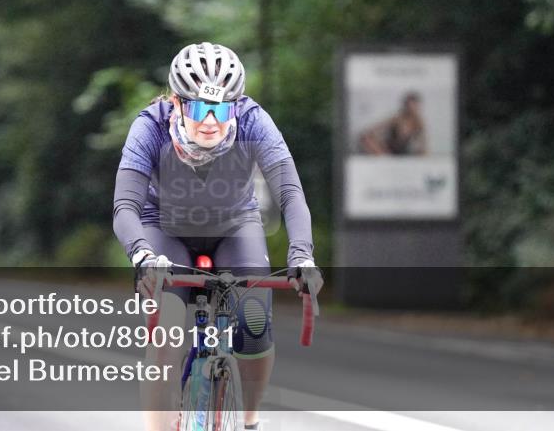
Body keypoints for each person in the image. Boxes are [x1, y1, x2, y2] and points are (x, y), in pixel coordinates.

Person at [113, 42, 323, 431]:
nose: (210, 120)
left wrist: (302, 255)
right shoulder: (150, 125)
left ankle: (248, 420)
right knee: (168, 332)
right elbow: (125, 205)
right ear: (176, 104)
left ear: (235, 107)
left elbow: (290, 193)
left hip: (234, 225)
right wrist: (141, 254)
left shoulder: (254, 121)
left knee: (254, 323)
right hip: (163, 229)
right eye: (198, 107)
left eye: (221, 108)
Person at [357, 91, 428, 156]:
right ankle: (385, 157)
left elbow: (423, 144)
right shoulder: (397, 118)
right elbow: (376, 128)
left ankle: (387, 159)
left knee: (422, 152)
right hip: (388, 150)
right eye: (409, 105)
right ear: (405, 106)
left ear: (417, 106)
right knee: (365, 137)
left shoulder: (419, 122)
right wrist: (374, 137)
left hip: (404, 152)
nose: (411, 108)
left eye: (413, 105)